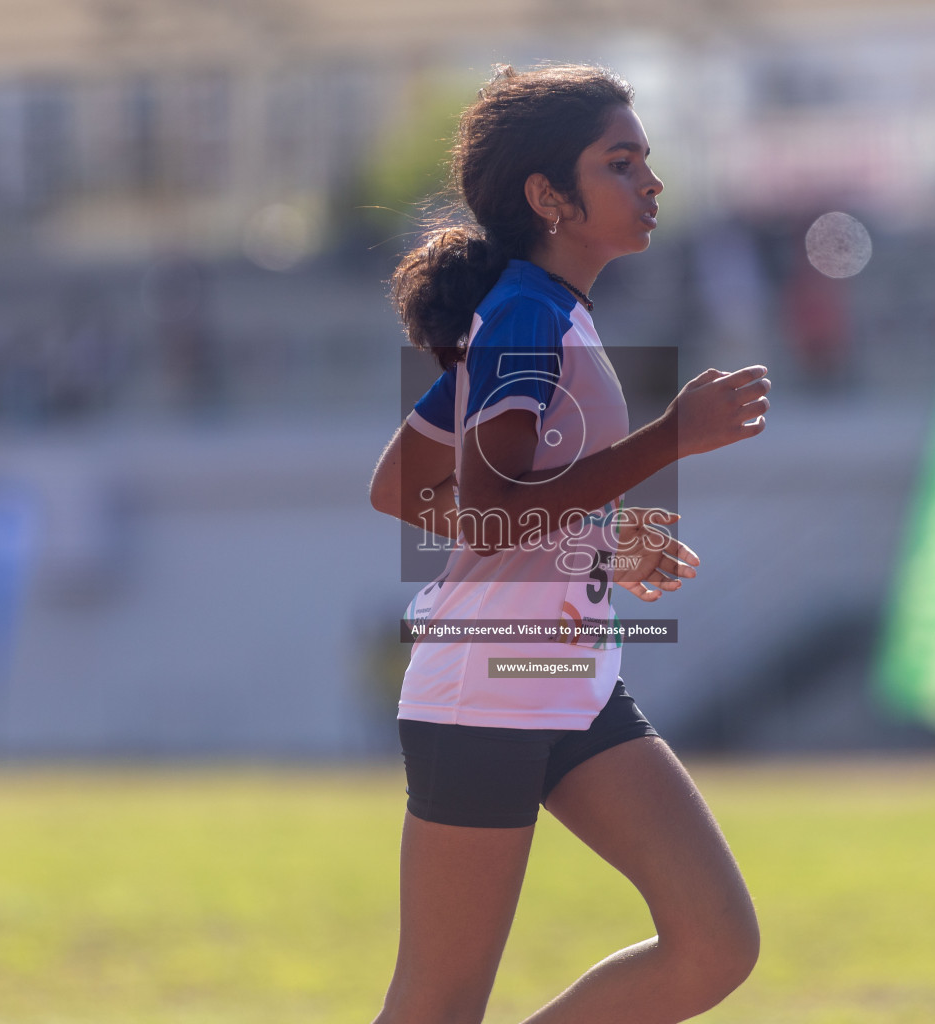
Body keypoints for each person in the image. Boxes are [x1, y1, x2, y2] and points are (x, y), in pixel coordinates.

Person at [368, 64, 770, 1024]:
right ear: (548, 197)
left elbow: (410, 488)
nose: (651, 183)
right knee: (438, 1003)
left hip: (572, 680)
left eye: (647, 160)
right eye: (620, 162)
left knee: (713, 943)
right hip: (488, 688)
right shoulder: (523, 315)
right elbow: (485, 490)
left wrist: (594, 538)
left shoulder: (545, 312)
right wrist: (674, 436)